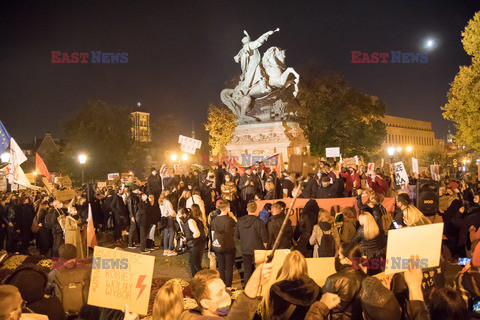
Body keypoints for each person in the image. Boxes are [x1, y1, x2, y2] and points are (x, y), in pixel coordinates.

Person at [179, 262, 273, 319]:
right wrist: (253, 284)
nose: (227, 295)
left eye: (225, 289)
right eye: (220, 293)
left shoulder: (226, 311)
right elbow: (238, 317)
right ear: (205, 303)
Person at [264, 251, 322, 320]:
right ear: (304, 266)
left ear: (285, 267)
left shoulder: (276, 290)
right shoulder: (317, 290)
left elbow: (271, 316)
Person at [323, 242, 367, 320]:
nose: (338, 258)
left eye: (339, 255)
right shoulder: (367, 279)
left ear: (346, 260)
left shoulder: (333, 279)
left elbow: (324, 306)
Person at [235, 201, 267, 285]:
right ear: (256, 209)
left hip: (245, 248)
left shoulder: (240, 221)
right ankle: (259, 286)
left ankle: (247, 287)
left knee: (247, 270)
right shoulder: (259, 221)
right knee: (258, 269)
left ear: (247, 209)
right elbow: (264, 237)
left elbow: (237, 236)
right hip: (258, 249)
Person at [210, 200, 237, 287]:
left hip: (218, 245)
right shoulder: (229, 220)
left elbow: (212, 234)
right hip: (228, 245)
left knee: (221, 266)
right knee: (229, 267)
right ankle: (228, 286)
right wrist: (233, 216)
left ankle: (222, 284)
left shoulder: (214, 220)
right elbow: (237, 225)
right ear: (228, 208)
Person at [179, 207, 206, 277]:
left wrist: (187, 238)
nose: (178, 216)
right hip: (192, 245)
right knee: (192, 264)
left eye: (179, 214)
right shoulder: (185, 221)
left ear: (184, 214)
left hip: (196, 244)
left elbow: (197, 233)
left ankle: (203, 280)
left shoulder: (190, 221)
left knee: (196, 265)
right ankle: (195, 281)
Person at [159, 190, 177, 256]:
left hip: (163, 218)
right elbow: (171, 212)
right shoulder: (167, 202)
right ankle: (169, 250)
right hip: (169, 218)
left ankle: (165, 250)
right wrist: (175, 214)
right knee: (172, 233)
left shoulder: (161, 202)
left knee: (166, 234)